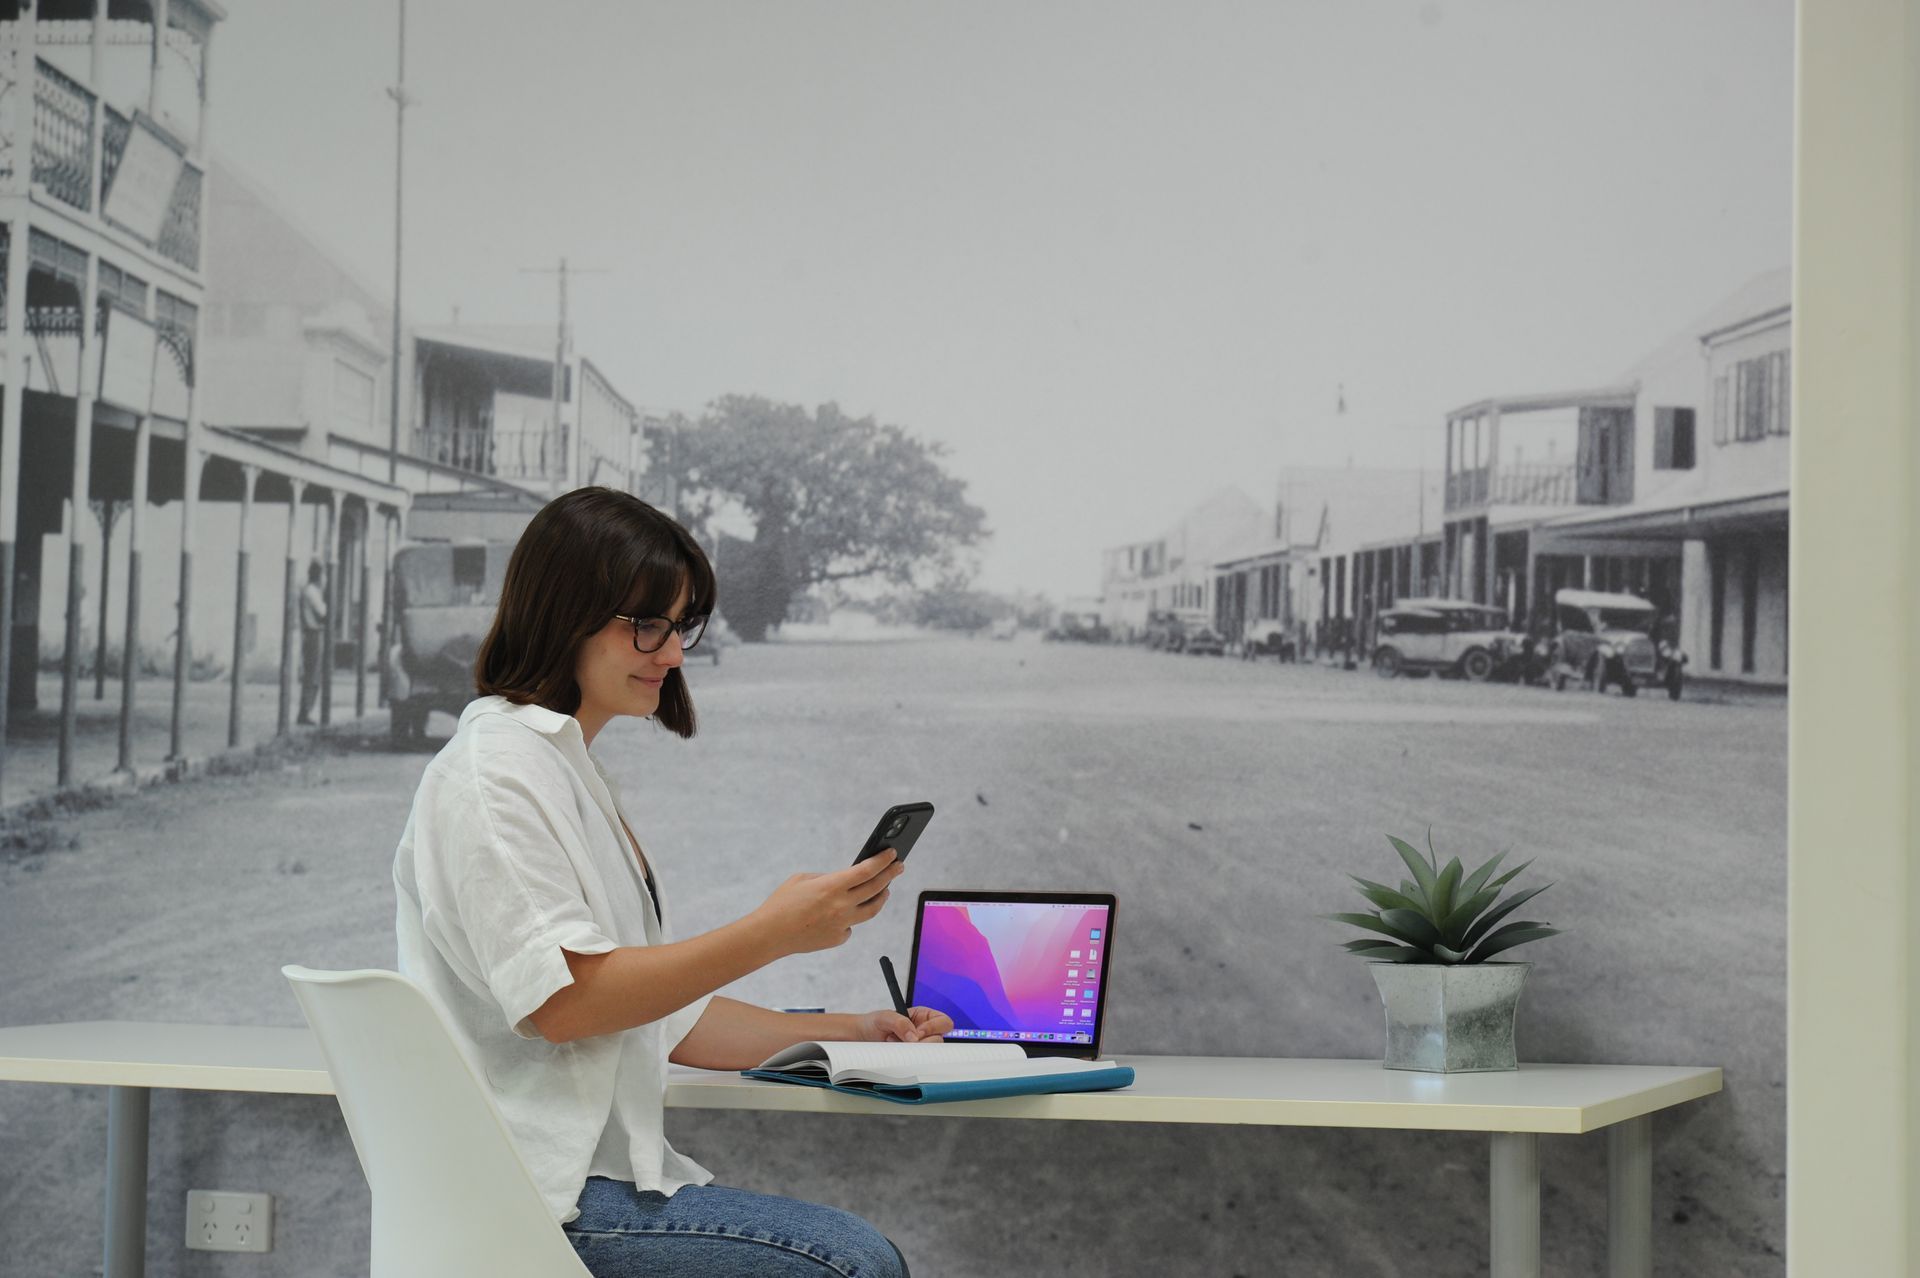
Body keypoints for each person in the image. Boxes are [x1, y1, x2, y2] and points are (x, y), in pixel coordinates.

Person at [392, 487, 947, 1278]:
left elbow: (658, 1015)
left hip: (583, 1186)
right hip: (534, 1199)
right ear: (564, 611)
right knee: (852, 1264)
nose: (675, 653)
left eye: (679, 626)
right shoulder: (493, 775)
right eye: (647, 625)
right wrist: (772, 934)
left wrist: (853, 1031)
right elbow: (568, 1003)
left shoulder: (559, 767)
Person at [296, 560, 327, 725]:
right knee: (313, 674)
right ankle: (305, 711)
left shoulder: (310, 591)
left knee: (313, 673)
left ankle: (306, 710)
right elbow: (323, 613)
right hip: (313, 633)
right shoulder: (312, 592)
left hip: (313, 633)